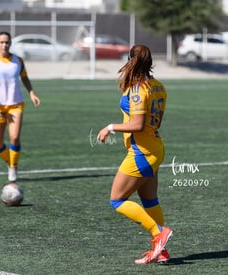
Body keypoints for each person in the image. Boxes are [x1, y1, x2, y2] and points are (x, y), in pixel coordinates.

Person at [97, 44, 172, 265]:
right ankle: (162, 251)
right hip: (154, 148)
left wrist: (110, 127)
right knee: (150, 200)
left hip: (142, 152)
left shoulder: (139, 89)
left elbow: (138, 124)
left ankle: (159, 234)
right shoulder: (158, 86)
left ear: (131, 60)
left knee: (117, 200)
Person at [0, 31, 40, 182]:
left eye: (7, 42)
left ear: (10, 44)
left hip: (15, 104)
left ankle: (13, 167)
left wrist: (31, 93)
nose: (4, 45)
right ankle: (10, 163)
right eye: (2, 42)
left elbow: (25, 78)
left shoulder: (18, 61)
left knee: (15, 137)